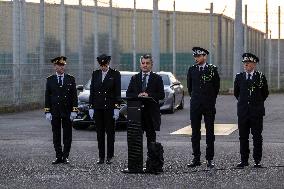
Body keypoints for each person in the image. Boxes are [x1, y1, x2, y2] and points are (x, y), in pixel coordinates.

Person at [187, 47, 220, 168]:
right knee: (195, 132)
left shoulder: (212, 70)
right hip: (195, 105)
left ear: (204, 57)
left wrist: (210, 99)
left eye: (199, 56)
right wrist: (197, 99)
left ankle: (209, 159)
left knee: (210, 131)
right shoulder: (192, 70)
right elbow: (190, 88)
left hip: (208, 105)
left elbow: (216, 87)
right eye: (195, 56)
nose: (196, 58)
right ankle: (196, 158)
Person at [234, 53, 269, 168]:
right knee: (243, 137)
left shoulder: (260, 77)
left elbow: (265, 93)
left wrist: (256, 103)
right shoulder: (239, 77)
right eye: (244, 63)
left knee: (257, 136)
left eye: (248, 63)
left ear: (254, 64)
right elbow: (236, 93)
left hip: (256, 112)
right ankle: (244, 160)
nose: (245, 65)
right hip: (243, 112)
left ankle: (257, 160)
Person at [126, 54, 165, 151]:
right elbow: (129, 94)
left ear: (151, 65)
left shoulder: (157, 78)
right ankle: (137, 164)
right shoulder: (134, 78)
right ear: (140, 65)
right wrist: (138, 95)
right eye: (143, 63)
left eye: (147, 63)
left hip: (151, 114)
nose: (145, 65)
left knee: (151, 139)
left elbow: (161, 95)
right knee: (136, 140)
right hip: (137, 114)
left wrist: (149, 95)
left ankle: (150, 163)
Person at [45, 56, 78, 164]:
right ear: (55, 67)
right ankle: (58, 156)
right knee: (56, 134)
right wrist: (47, 111)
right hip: (55, 112)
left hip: (67, 112)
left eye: (63, 65)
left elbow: (74, 97)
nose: (61, 67)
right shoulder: (50, 80)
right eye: (59, 65)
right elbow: (47, 97)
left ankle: (65, 156)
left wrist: (74, 110)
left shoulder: (70, 79)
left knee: (67, 135)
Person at [88, 54, 121, 164]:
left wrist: (117, 108)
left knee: (110, 133)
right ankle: (101, 156)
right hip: (98, 107)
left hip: (110, 108)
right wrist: (91, 106)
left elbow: (117, 92)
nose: (103, 67)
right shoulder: (95, 74)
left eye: (105, 65)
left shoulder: (115, 74)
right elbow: (92, 91)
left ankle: (110, 156)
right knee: (99, 133)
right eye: (101, 65)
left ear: (108, 63)